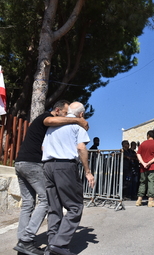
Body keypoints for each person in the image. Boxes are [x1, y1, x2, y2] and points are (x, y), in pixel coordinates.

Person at [13, 100, 88, 255]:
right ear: (57, 110)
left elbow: (44, 146)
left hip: (21, 162)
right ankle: (27, 239)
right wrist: (77, 120)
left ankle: (23, 241)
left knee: (28, 203)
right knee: (47, 201)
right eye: (65, 113)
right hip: (33, 164)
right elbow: (50, 121)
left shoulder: (50, 130)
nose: (67, 116)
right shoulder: (46, 118)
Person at [42, 102, 95, 255]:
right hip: (65, 166)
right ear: (81, 114)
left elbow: (43, 148)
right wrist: (87, 171)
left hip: (47, 166)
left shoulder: (53, 126)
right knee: (75, 206)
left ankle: (51, 245)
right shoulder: (79, 125)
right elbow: (81, 148)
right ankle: (59, 245)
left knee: (54, 207)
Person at [135, 130, 154, 207]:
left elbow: (138, 154)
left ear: (147, 136)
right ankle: (151, 201)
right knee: (151, 182)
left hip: (143, 167)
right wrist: (149, 162)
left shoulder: (143, 144)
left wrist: (143, 163)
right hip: (153, 166)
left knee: (142, 182)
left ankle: (139, 200)